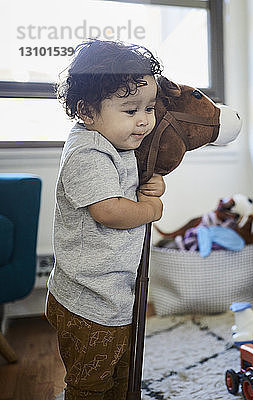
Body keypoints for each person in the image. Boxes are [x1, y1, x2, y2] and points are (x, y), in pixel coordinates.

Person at [46, 39, 166, 400]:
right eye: (131, 110)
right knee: (91, 383)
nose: (144, 120)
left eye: (149, 107)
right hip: (87, 300)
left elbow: (125, 191)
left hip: (112, 293)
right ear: (87, 111)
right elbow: (109, 209)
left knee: (122, 375)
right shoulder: (88, 151)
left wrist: (149, 187)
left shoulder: (117, 143)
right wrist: (150, 210)